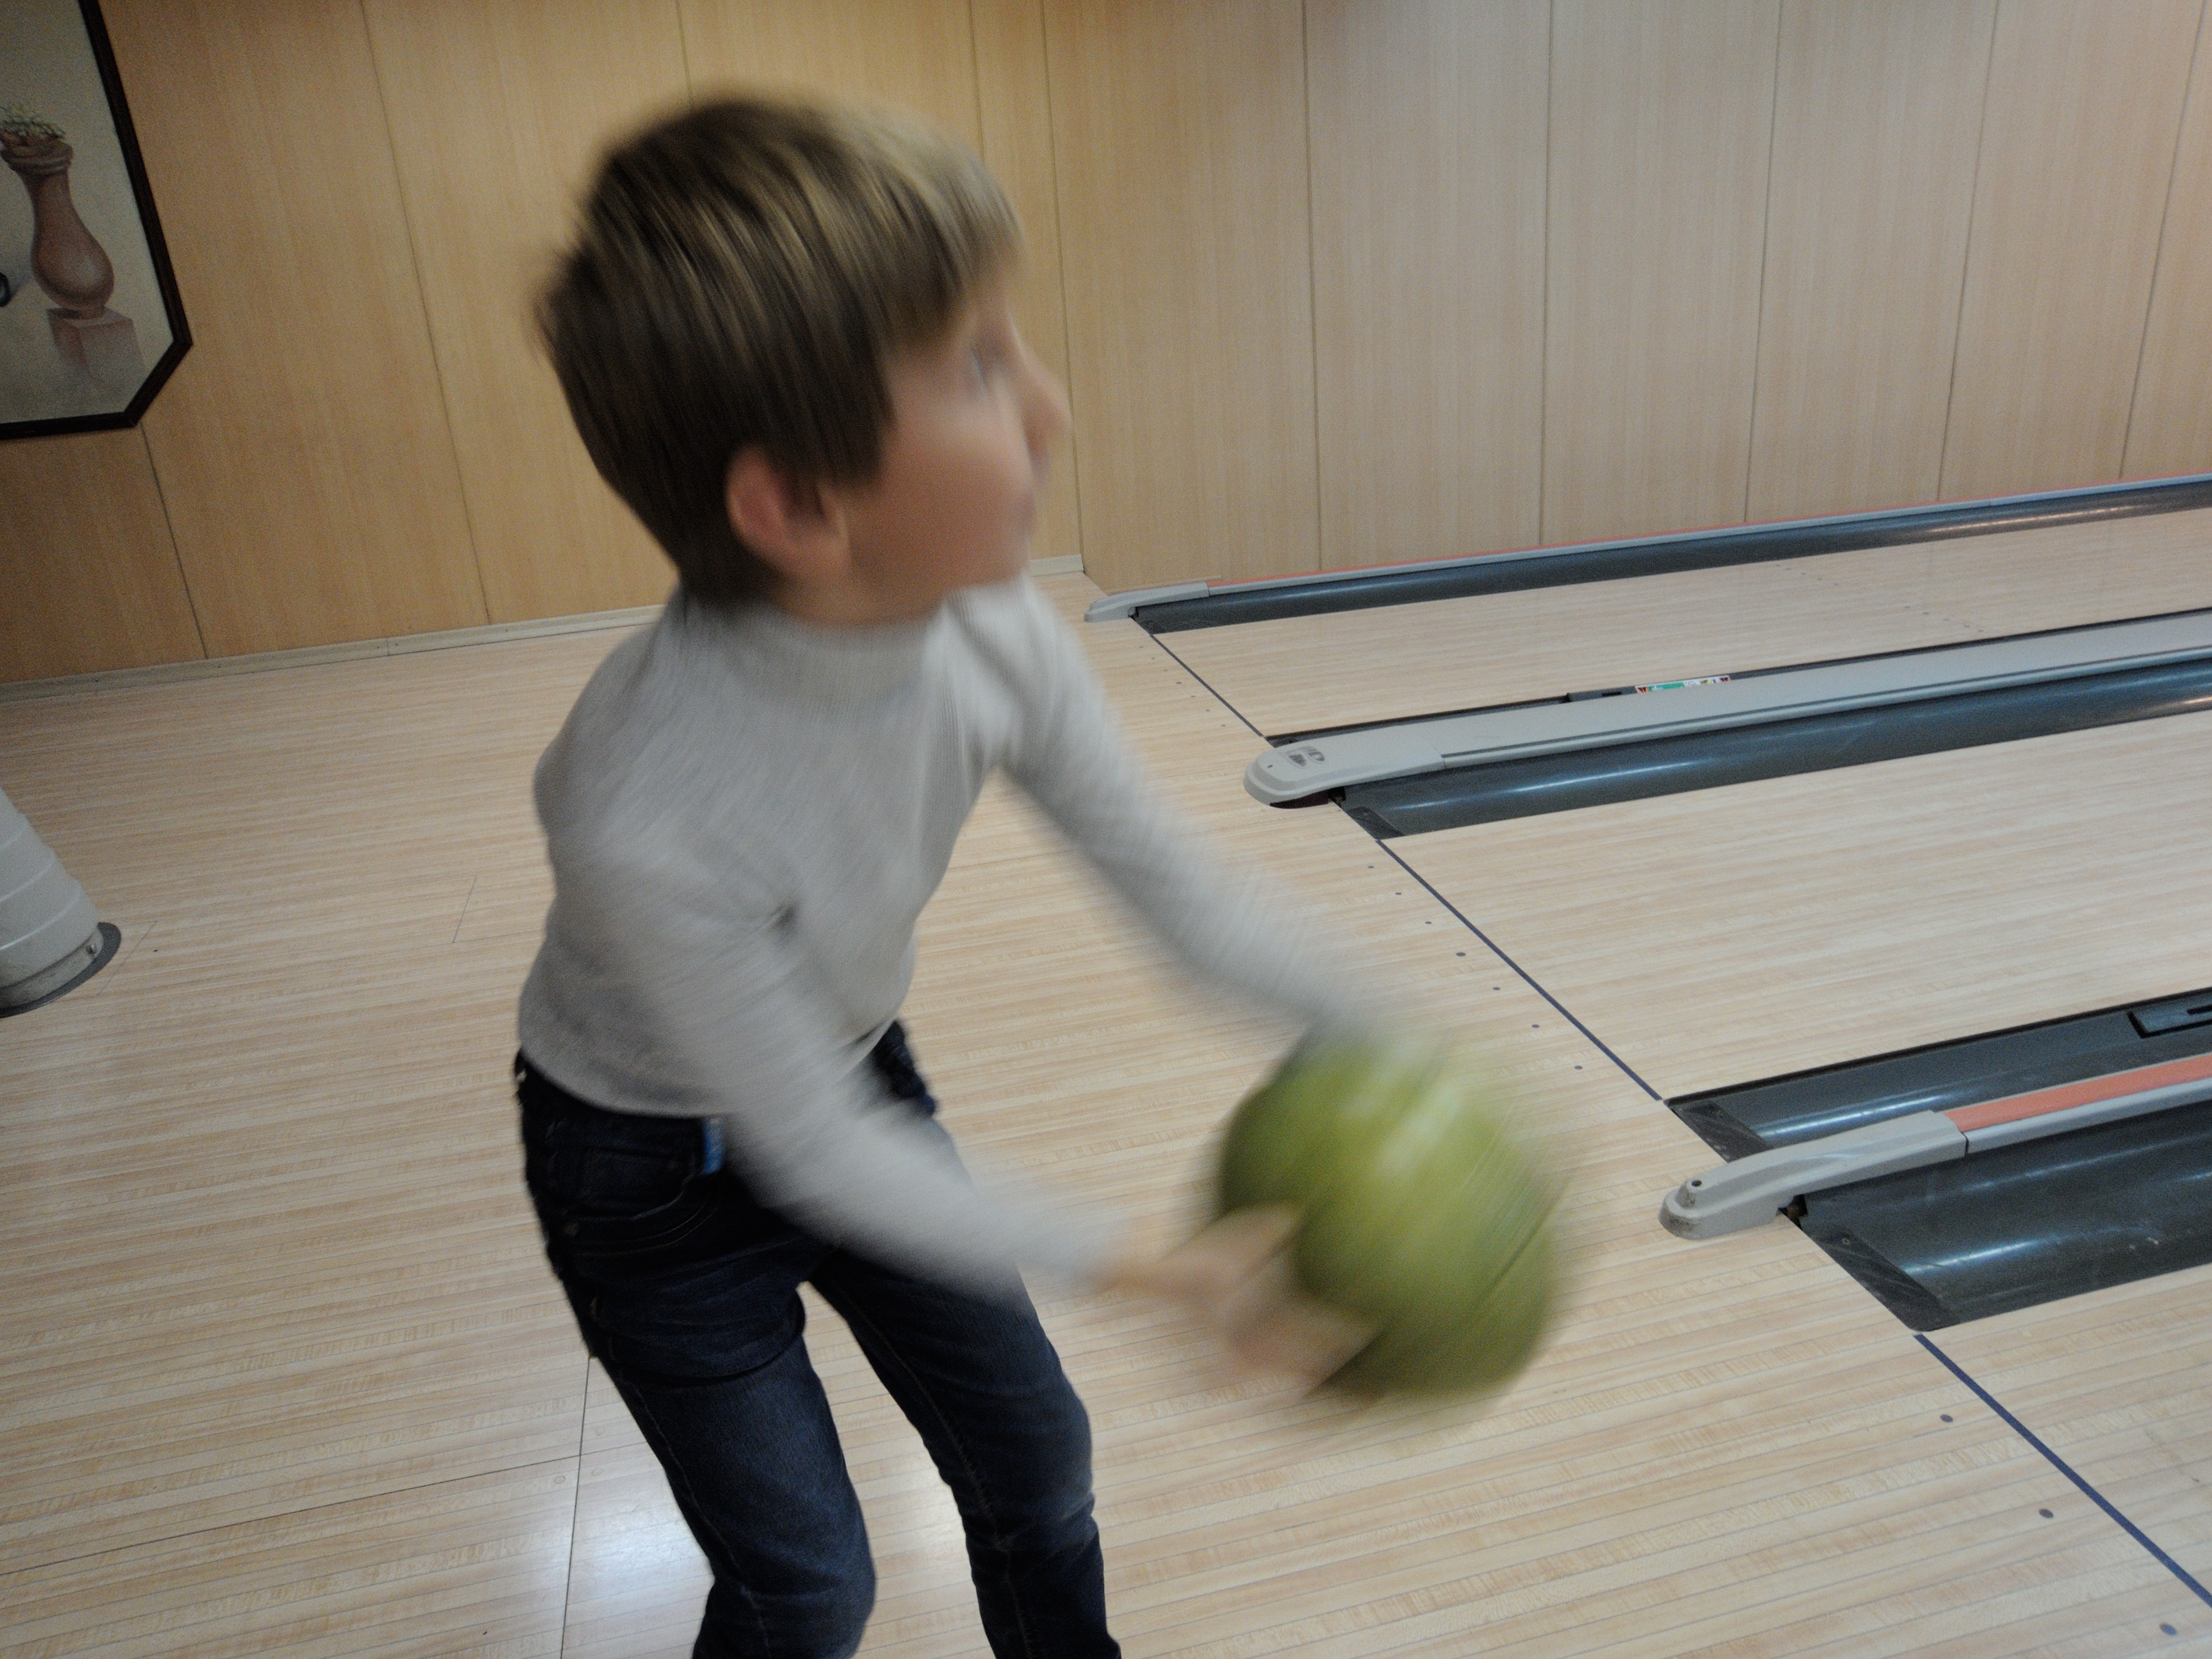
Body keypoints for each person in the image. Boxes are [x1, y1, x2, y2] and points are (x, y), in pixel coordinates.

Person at [515, 95, 1374, 1659]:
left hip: (852, 1073)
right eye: (979, 368)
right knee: (809, 1588)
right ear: (801, 506)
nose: (1050, 405)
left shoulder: (995, 633)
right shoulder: (647, 807)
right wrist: (1152, 1268)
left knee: (1040, 1465)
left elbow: (1180, 895)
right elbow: (815, 1157)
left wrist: (1397, 1034)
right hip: (646, 1178)